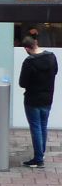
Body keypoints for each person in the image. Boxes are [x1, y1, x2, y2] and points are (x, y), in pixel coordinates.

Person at [19, 35, 58, 168]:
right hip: (48, 97)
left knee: (35, 128)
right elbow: (55, 72)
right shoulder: (52, 57)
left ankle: (38, 158)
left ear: (26, 48)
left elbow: (22, 83)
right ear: (36, 43)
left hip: (32, 99)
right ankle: (41, 153)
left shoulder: (29, 62)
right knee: (43, 126)